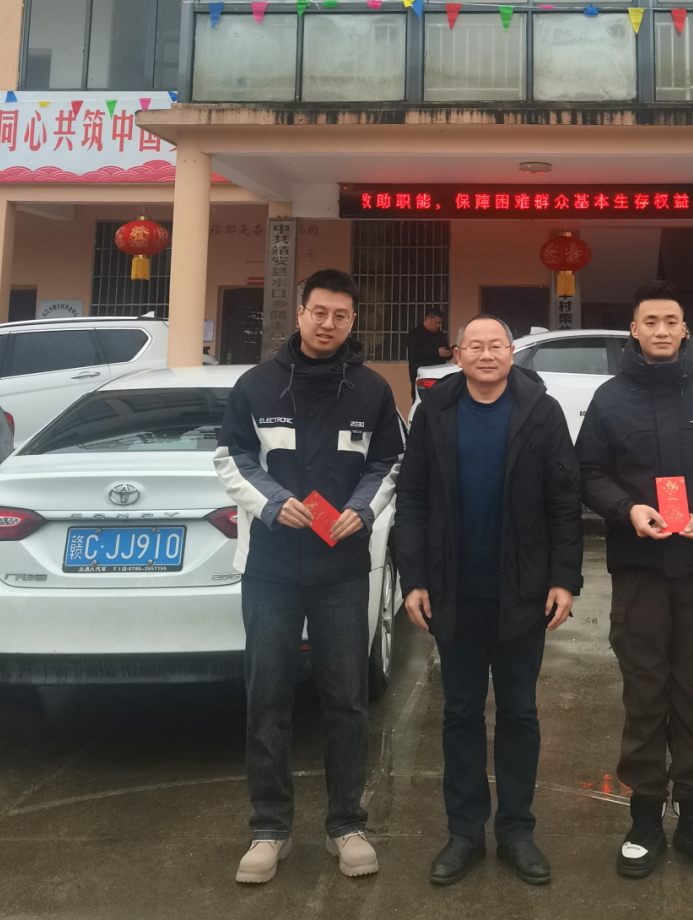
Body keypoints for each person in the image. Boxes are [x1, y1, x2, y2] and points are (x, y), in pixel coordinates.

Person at [214, 268, 405, 884]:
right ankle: (268, 829)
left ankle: (347, 825)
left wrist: (362, 510)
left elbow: (389, 462)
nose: (328, 323)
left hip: (341, 568)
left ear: (353, 321)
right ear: (299, 313)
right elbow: (231, 457)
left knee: (346, 700)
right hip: (270, 567)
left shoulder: (371, 390)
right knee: (267, 696)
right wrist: (272, 501)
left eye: (340, 315)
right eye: (318, 312)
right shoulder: (256, 385)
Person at [575, 281, 693, 880]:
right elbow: (588, 471)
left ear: (685, 329)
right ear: (634, 330)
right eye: (650, 321)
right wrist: (627, 509)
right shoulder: (610, 399)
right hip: (640, 569)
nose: (661, 330)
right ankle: (644, 819)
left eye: (671, 321)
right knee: (645, 690)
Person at [396, 315, 583, 887]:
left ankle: (517, 832)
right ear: (457, 354)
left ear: (511, 352)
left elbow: (564, 500)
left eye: (495, 345)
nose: (485, 354)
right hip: (454, 591)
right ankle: (464, 833)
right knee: (460, 713)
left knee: (520, 713)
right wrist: (414, 578)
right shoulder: (435, 411)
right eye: (473, 346)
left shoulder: (541, 411)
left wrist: (564, 578)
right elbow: (413, 498)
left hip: (522, 591)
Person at [406, 309, 452, 398]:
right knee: (421, 401)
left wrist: (449, 353)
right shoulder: (414, 334)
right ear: (427, 319)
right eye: (436, 322)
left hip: (438, 376)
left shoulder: (440, 335)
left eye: (440, 323)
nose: (438, 326)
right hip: (421, 376)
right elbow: (415, 353)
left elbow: (445, 350)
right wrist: (436, 352)